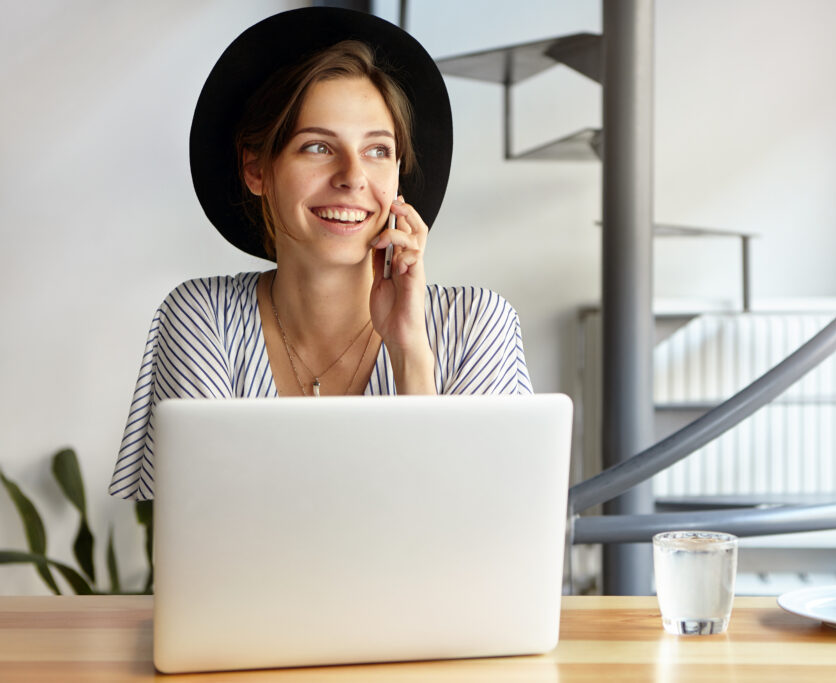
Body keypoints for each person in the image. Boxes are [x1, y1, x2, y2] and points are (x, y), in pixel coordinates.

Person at [109, 8, 532, 501]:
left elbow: (482, 534)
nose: (353, 177)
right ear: (256, 169)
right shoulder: (205, 319)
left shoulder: (477, 326)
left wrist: (411, 353)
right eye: (317, 147)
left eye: (377, 151)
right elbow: (204, 530)